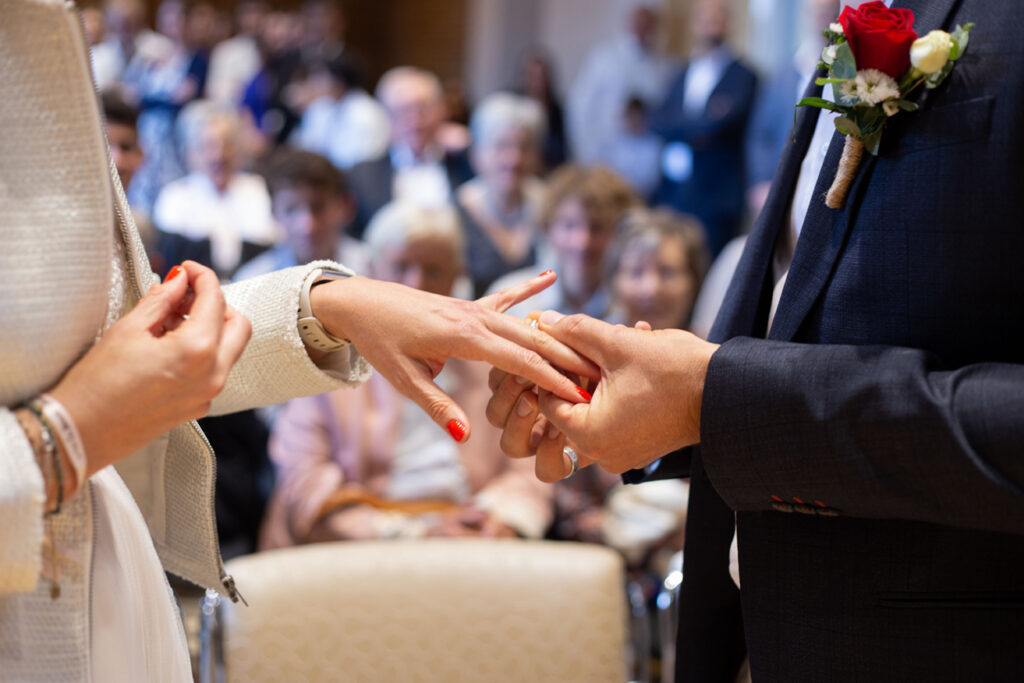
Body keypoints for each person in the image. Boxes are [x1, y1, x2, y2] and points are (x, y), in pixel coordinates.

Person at [0, 4, 593, 679]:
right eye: (400, 268)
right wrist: (64, 437)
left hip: (100, 563)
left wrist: (333, 307)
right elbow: (115, 395)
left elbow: (119, 347)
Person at [488, 1, 1024, 681]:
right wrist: (655, 402)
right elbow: (800, 313)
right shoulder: (854, 24)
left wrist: (713, 398)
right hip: (762, 623)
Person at [261, 201, 553, 548]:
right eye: (401, 266)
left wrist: (495, 521)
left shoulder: (491, 363)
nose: (416, 285)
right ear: (371, 273)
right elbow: (304, 484)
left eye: (433, 270)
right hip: (364, 546)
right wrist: (416, 532)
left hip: (472, 540)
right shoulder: (329, 362)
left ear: (456, 276)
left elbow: (528, 470)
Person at [650, 0, 757, 256]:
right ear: (695, 25)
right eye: (704, 19)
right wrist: (699, 126)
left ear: (728, 24)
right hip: (675, 191)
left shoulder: (743, 75)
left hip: (716, 195)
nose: (710, 26)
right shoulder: (681, 72)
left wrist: (683, 127)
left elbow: (720, 126)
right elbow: (658, 121)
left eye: (716, 19)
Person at [488, 164, 639, 320]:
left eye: (597, 227)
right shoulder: (512, 300)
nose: (582, 242)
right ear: (548, 228)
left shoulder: (634, 304)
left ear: (618, 233)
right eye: (569, 225)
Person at [153, 100, 279, 280]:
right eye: (207, 146)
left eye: (227, 144)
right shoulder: (175, 196)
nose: (218, 156)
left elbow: (271, 245)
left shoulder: (257, 188)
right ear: (190, 152)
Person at [347, 66, 475, 238]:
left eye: (423, 110)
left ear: (442, 110)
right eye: (402, 111)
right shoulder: (363, 175)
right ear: (386, 116)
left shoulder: (466, 165)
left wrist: (471, 146)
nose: (415, 120)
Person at [455, 92, 547, 297]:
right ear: (477, 153)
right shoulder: (456, 210)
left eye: (524, 147)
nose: (514, 159)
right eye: (501, 146)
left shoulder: (549, 204)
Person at [566, 2, 677, 164]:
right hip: (605, 157)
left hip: (646, 162)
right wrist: (588, 155)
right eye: (639, 21)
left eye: (648, 23)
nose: (643, 28)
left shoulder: (663, 68)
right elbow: (580, 107)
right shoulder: (604, 58)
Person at [235, 147, 369, 281]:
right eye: (291, 210)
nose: (307, 226)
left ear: (343, 206)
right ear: (274, 213)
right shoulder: (253, 281)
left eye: (318, 207)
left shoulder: (371, 270)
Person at [293, 55, 391, 171]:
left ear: (339, 81)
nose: (315, 83)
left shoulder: (365, 112)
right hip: (322, 172)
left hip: (357, 173)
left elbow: (363, 156)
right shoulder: (319, 108)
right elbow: (306, 146)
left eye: (321, 78)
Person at [205, 0, 267, 105]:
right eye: (249, 13)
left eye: (258, 13)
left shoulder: (271, 50)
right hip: (231, 109)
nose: (254, 19)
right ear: (239, 17)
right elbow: (215, 92)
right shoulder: (225, 50)